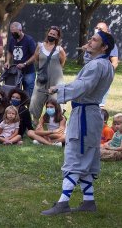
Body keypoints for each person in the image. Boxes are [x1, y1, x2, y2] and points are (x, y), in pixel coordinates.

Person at [41, 29, 115, 216]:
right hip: (91, 113)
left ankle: (63, 203)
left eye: (94, 40)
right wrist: (90, 50)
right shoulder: (104, 64)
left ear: (104, 47)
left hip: (84, 115)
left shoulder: (96, 66)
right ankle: (88, 202)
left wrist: (59, 89)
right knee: (87, 158)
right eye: (90, 38)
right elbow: (89, 78)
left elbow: (83, 86)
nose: (89, 41)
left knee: (75, 155)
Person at [27, 26, 67, 121]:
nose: (51, 35)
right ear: (47, 33)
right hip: (42, 79)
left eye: (54, 34)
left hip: (56, 79)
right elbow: (36, 59)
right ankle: (35, 121)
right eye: (50, 33)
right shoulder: (40, 46)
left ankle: (55, 121)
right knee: (36, 100)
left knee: (55, 101)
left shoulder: (59, 49)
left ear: (57, 37)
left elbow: (62, 62)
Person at [82, 22, 119, 108]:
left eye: (100, 29)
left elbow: (114, 62)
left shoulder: (109, 45)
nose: (97, 30)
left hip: (99, 77)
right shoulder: (91, 43)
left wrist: (106, 75)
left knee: (98, 105)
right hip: (88, 74)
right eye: (96, 28)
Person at [6, 22, 38, 96]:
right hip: (16, 72)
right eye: (12, 32)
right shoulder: (12, 40)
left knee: (28, 93)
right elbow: (10, 51)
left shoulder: (29, 40)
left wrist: (25, 64)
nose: (13, 34)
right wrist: (7, 61)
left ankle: (29, 107)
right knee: (15, 93)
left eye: (15, 32)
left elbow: (35, 55)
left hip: (28, 72)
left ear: (20, 30)